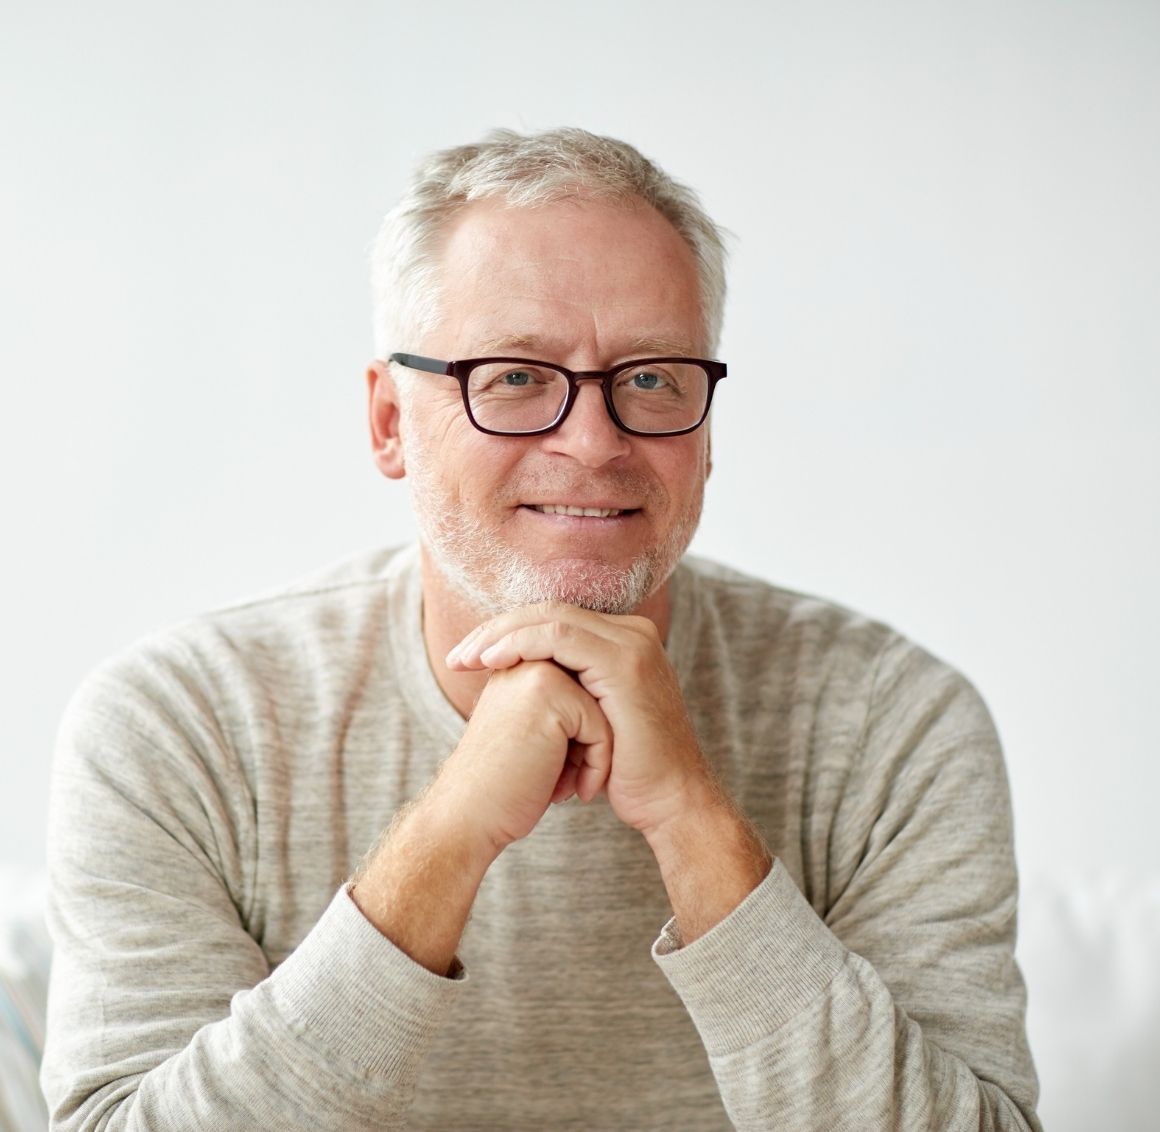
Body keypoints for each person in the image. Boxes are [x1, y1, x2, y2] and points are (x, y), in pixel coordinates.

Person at [41, 128, 1040, 1131]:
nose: (593, 440)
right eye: (514, 377)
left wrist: (692, 819)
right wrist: (451, 828)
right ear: (389, 420)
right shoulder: (178, 724)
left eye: (650, 377)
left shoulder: (888, 721)